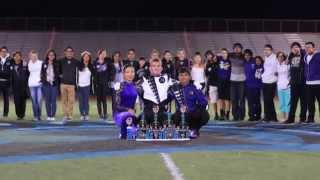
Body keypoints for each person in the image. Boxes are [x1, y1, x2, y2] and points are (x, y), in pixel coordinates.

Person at [170, 67, 209, 138]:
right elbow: (167, 99)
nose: (183, 77)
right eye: (181, 75)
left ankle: (194, 129)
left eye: (185, 75)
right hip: (181, 114)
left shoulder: (195, 86)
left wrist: (197, 108)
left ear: (189, 77)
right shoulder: (174, 88)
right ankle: (182, 129)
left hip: (193, 114)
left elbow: (204, 102)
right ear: (178, 77)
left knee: (204, 115)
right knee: (173, 117)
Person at [138, 58, 174, 126]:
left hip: (162, 112)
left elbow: (180, 84)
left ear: (161, 68)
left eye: (158, 66)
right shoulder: (143, 80)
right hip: (148, 112)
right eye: (154, 66)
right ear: (150, 68)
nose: (156, 68)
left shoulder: (167, 78)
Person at [113, 65, 139, 139]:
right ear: (123, 74)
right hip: (120, 114)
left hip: (131, 114)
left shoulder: (136, 86)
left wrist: (134, 111)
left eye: (132, 72)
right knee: (127, 136)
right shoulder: (119, 86)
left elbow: (135, 106)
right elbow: (116, 106)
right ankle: (123, 132)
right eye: (127, 72)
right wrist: (128, 110)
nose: (130, 74)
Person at [285, 42, 307, 124]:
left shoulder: (304, 55)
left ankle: (302, 118)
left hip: (302, 82)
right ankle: (291, 118)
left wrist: (300, 51)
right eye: (293, 47)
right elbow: (286, 63)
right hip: (294, 82)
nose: (295, 48)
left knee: (303, 101)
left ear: (300, 48)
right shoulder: (291, 56)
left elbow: (305, 55)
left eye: (297, 47)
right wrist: (290, 53)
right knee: (293, 101)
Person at [92, 49, 115, 121]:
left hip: (104, 83)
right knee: (98, 100)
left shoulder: (107, 62)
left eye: (105, 53)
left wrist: (110, 77)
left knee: (104, 99)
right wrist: (95, 81)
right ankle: (100, 114)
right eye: (104, 53)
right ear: (99, 54)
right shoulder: (95, 63)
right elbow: (93, 73)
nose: (105, 54)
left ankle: (105, 113)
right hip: (98, 84)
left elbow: (113, 70)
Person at [59, 46, 80, 121]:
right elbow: (57, 70)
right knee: (64, 100)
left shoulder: (76, 61)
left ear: (73, 53)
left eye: (71, 51)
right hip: (63, 84)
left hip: (72, 84)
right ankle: (65, 115)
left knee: (71, 100)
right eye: (68, 51)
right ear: (65, 52)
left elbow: (83, 67)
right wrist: (60, 75)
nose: (69, 53)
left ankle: (70, 115)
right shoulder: (61, 61)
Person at [41, 50, 60, 121]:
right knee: (47, 101)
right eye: (50, 55)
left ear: (54, 56)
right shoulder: (44, 63)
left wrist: (52, 65)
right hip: (46, 84)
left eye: (52, 55)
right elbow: (42, 73)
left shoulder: (57, 64)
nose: (51, 56)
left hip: (54, 84)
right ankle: (48, 115)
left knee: (53, 101)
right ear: (47, 56)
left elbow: (57, 74)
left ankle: (53, 115)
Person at [229, 43, 246, 121]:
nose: (237, 49)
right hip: (233, 81)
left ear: (241, 49)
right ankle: (235, 116)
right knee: (233, 99)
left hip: (242, 81)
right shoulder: (230, 56)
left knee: (241, 99)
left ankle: (241, 116)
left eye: (238, 48)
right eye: (235, 48)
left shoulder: (244, 57)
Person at [304, 42, 320, 123]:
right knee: (310, 103)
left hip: (318, 83)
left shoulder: (318, 55)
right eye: (306, 47)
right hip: (308, 83)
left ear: (314, 48)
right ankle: (310, 118)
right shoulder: (305, 57)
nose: (307, 49)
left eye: (309, 47)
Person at [261, 44, 278, 122]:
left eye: (268, 49)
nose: (266, 51)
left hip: (272, 81)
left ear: (271, 50)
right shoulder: (266, 58)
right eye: (265, 49)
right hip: (265, 81)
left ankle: (272, 117)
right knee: (266, 100)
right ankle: (268, 116)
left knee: (269, 100)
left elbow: (276, 70)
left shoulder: (275, 58)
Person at [244, 55, 263, 121]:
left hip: (257, 87)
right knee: (250, 102)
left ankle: (258, 116)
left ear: (261, 61)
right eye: (256, 61)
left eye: (259, 60)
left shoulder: (263, 67)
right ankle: (251, 116)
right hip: (249, 87)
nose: (257, 62)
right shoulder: (252, 67)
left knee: (257, 102)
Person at [11, 51, 29, 120]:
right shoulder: (11, 66)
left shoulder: (24, 64)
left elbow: (28, 74)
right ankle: (18, 115)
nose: (17, 57)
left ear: (21, 57)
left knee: (23, 102)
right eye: (16, 56)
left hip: (23, 87)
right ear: (14, 57)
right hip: (15, 87)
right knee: (17, 102)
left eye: (19, 56)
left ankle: (22, 115)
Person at [78, 51, 94, 121]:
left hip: (87, 86)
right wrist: (83, 53)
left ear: (89, 58)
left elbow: (93, 75)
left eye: (88, 57)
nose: (86, 58)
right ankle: (82, 114)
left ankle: (86, 114)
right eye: (85, 57)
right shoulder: (79, 65)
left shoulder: (91, 66)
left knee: (86, 101)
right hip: (80, 86)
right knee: (81, 101)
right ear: (83, 58)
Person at [28, 50, 43, 121]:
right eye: (32, 56)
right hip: (31, 84)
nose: (34, 57)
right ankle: (35, 116)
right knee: (34, 101)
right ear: (30, 56)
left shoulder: (41, 63)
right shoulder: (29, 63)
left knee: (39, 101)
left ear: (37, 56)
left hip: (39, 84)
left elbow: (44, 73)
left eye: (35, 56)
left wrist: (42, 80)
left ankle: (39, 115)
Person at [217, 48, 231, 120]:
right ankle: (221, 114)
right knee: (220, 99)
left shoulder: (230, 61)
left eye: (225, 53)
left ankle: (227, 114)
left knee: (227, 99)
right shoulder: (219, 60)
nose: (224, 54)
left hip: (228, 82)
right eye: (222, 53)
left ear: (227, 54)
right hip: (220, 82)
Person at [205, 50, 220, 120]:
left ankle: (223, 114)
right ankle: (216, 114)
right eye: (207, 56)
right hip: (212, 84)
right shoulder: (207, 65)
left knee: (221, 100)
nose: (209, 56)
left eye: (210, 55)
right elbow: (207, 74)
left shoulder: (218, 61)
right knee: (214, 100)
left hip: (220, 83)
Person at [276, 52, 291, 121]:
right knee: (282, 103)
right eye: (279, 56)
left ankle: (288, 117)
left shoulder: (287, 65)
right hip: (279, 87)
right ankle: (284, 117)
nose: (280, 57)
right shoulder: (276, 65)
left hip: (287, 87)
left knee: (288, 103)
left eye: (282, 56)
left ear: (284, 57)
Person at [0, 46, 12, 120]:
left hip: (7, 82)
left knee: (6, 99)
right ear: (0, 52)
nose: (3, 52)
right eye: (2, 51)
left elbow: (10, 72)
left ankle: (5, 114)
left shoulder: (10, 60)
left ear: (7, 52)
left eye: (5, 51)